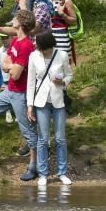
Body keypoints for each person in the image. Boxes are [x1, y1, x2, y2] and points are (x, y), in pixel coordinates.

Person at [0, 9, 38, 181]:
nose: (12, 19)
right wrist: (9, 65)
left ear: (20, 23)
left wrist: (9, 66)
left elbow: (15, 74)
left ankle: (34, 165)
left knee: (27, 130)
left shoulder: (26, 45)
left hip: (21, 94)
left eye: (15, 18)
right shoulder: (15, 40)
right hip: (9, 91)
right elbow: (5, 64)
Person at [26, 31, 73, 187]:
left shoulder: (62, 55)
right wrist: (30, 105)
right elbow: (31, 82)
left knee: (60, 138)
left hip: (58, 100)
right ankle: (43, 173)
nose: (36, 46)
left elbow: (69, 75)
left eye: (39, 45)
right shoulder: (34, 56)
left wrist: (62, 83)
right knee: (43, 139)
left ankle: (62, 172)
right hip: (41, 102)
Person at [48, 0, 78, 67]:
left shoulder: (66, 1)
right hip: (48, 38)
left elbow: (74, 20)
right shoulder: (46, 0)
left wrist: (63, 15)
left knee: (61, 68)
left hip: (61, 39)